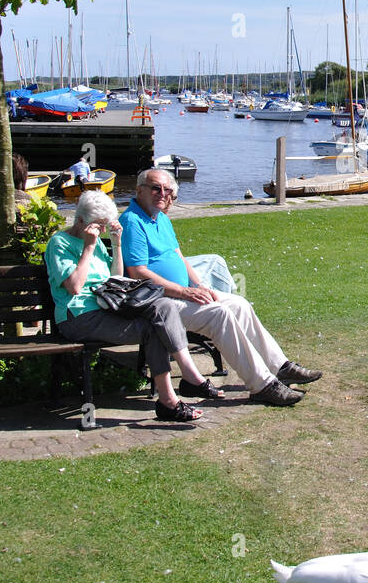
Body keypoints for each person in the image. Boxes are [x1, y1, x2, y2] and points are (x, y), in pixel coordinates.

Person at [119, 168, 321, 407]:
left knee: (239, 304)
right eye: (155, 188)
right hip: (160, 302)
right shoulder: (132, 222)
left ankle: (280, 367)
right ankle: (262, 385)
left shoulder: (159, 217)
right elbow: (138, 273)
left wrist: (200, 285)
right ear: (140, 190)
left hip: (183, 293)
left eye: (167, 189)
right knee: (220, 315)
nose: (162, 193)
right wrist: (185, 292)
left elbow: (179, 257)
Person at [45, 191, 214, 424]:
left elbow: (115, 278)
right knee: (154, 328)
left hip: (108, 308)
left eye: (105, 225)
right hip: (79, 317)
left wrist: (116, 244)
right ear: (81, 221)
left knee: (163, 305)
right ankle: (170, 399)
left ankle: (185, 378)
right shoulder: (60, 243)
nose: (102, 231)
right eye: (99, 225)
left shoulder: (97, 241)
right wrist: (88, 248)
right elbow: (74, 287)